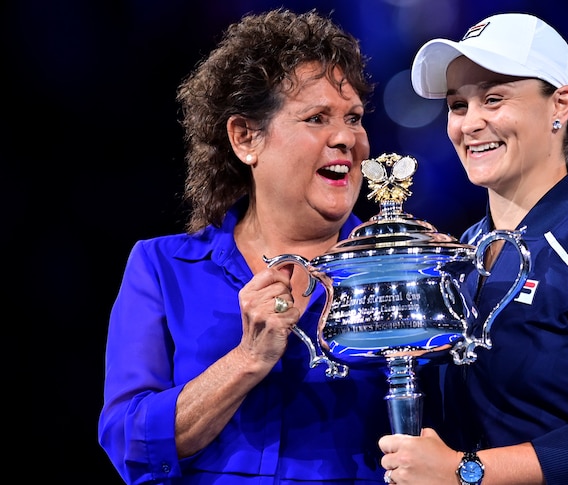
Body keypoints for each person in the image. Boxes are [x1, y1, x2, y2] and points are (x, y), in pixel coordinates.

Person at [378, 12, 568, 485]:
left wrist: (465, 473)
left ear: (559, 105)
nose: (470, 123)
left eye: (494, 99)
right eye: (458, 106)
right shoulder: (462, 251)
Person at [98, 8, 396, 484]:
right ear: (245, 138)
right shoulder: (162, 268)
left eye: (354, 118)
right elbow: (129, 446)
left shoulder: (397, 270)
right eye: (317, 118)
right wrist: (247, 360)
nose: (347, 139)